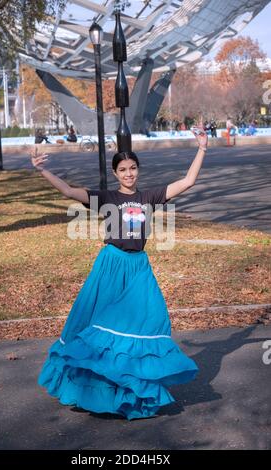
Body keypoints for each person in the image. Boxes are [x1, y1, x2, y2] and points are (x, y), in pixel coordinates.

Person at [30, 129, 208, 420]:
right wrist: (42, 171)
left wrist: (202, 148)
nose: (129, 174)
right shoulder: (107, 197)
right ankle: (98, 388)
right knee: (101, 323)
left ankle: (134, 384)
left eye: (133, 168)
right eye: (123, 169)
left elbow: (187, 182)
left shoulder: (149, 196)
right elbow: (68, 192)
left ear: (138, 170)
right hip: (111, 265)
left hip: (139, 266)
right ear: (115, 173)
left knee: (150, 320)